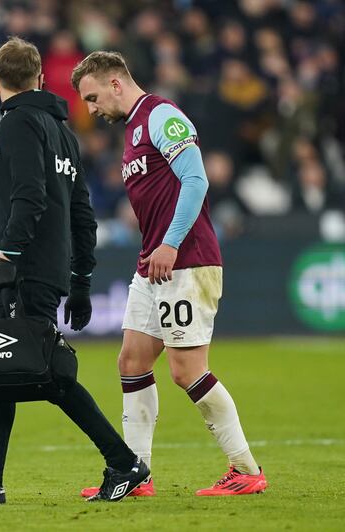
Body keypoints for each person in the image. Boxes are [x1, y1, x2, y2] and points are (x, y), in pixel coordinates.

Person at [0, 37, 149, 506]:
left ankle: (124, 461)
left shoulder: (16, 124)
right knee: (2, 367)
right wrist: (82, 280)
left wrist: (7, 258)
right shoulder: (62, 132)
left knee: (45, 374)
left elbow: (28, 195)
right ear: (42, 79)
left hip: (23, 268)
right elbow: (82, 213)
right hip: (46, 268)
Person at [71, 51, 267, 497]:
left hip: (186, 259)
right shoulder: (133, 128)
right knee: (132, 360)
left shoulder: (162, 116)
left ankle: (246, 469)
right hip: (153, 263)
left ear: (116, 83)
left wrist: (172, 242)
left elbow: (196, 180)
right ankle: (136, 474)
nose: (92, 109)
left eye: (93, 97)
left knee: (186, 370)